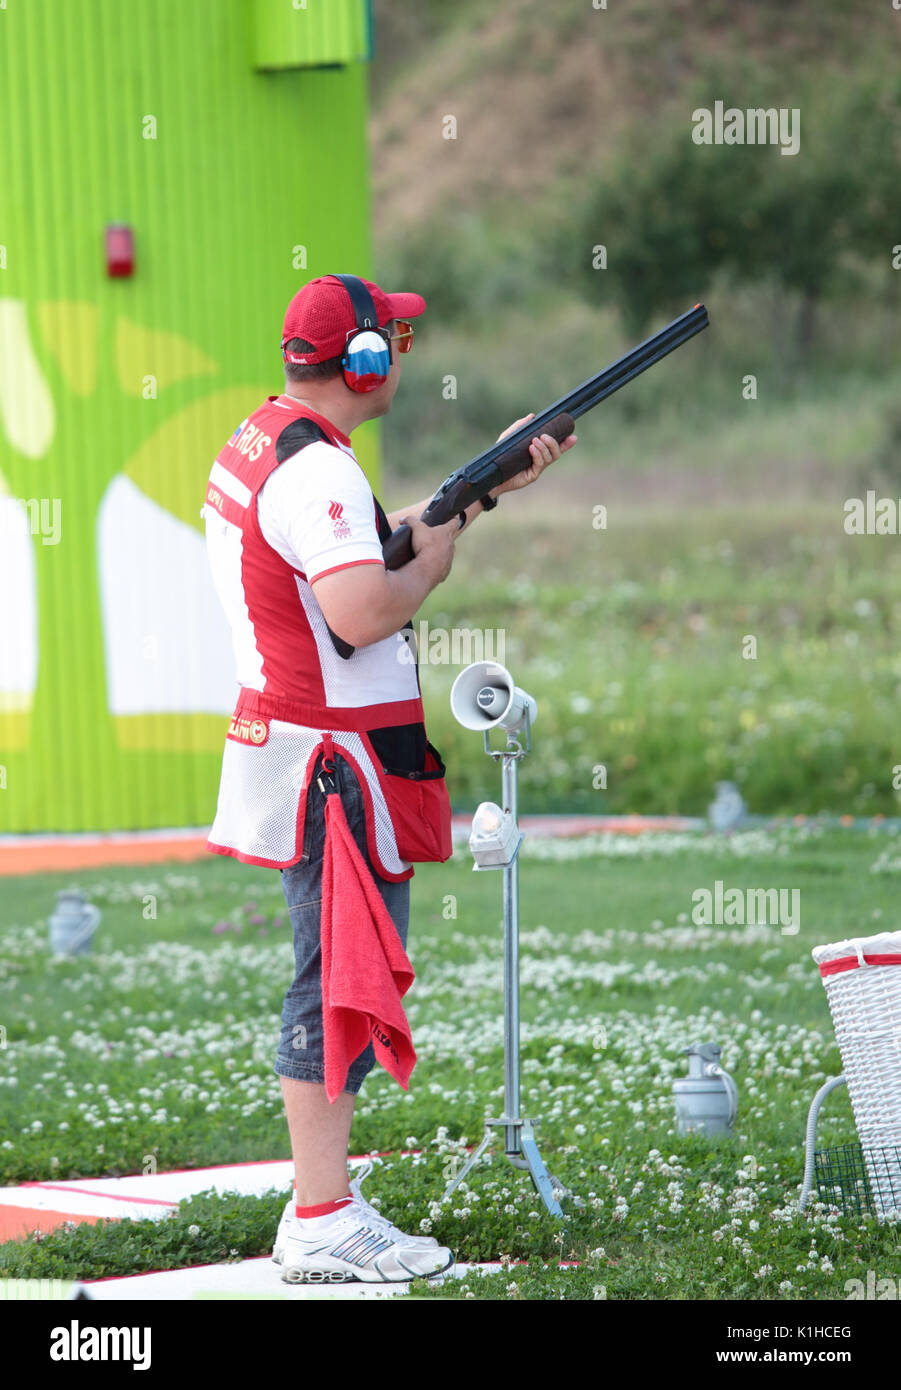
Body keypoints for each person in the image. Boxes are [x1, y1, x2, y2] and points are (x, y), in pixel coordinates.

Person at [201, 273, 577, 1284]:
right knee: (333, 986)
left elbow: (352, 544)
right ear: (361, 364)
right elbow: (364, 606)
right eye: (389, 344)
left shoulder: (276, 440)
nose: (399, 358)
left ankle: (323, 1204)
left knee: (334, 977)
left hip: (308, 754)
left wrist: (481, 485)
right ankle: (321, 1214)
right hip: (331, 765)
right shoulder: (317, 474)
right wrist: (437, 564)